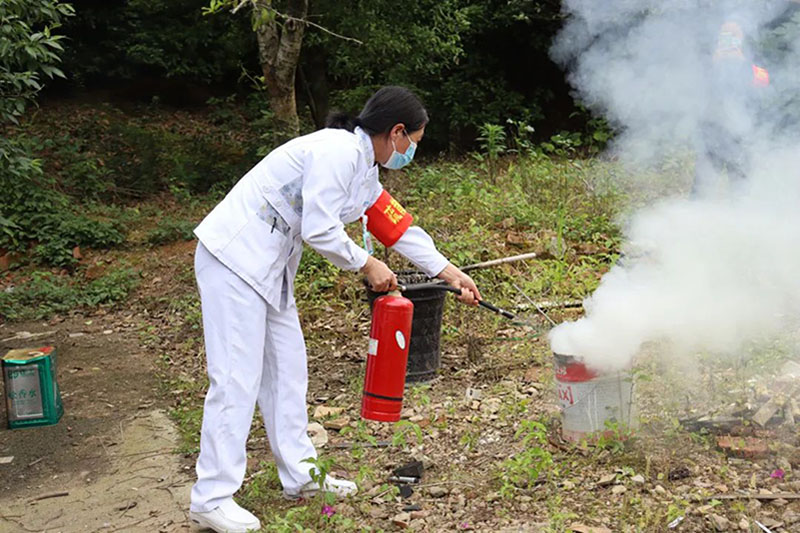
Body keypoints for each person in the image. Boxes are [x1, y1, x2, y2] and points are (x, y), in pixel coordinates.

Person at [188, 86, 481, 533]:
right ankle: (211, 497)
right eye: (413, 143)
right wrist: (366, 263)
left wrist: (449, 272)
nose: (410, 153)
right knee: (235, 377)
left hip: (267, 268)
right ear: (396, 132)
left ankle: (302, 476)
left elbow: (397, 228)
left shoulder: (364, 170)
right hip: (234, 261)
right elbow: (321, 229)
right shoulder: (337, 152)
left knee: (289, 370)